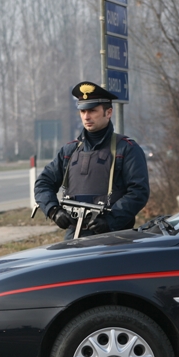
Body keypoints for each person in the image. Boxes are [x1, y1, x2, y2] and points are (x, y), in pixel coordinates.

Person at [34, 81, 150, 239]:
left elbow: (139, 192)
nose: (86, 116)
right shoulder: (69, 151)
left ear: (108, 113)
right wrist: (53, 210)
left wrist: (111, 220)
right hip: (74, 237)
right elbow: (43, 183)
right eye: (82, 111)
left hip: (115, 237)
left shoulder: (126, 149)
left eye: (92, 111)